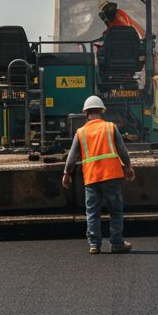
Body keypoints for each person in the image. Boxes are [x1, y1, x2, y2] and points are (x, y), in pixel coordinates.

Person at [61, 95, 136, 254]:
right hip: (111, 176)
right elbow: (123, 151)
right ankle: (117, 243)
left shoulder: (80, 132)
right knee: (115, 211)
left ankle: (94, 245)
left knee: (92, 213)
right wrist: (128, 167)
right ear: (102, 111)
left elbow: (71, 158)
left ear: (85, 113)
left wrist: (67, 173)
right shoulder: (110, 127)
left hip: (91, 178)